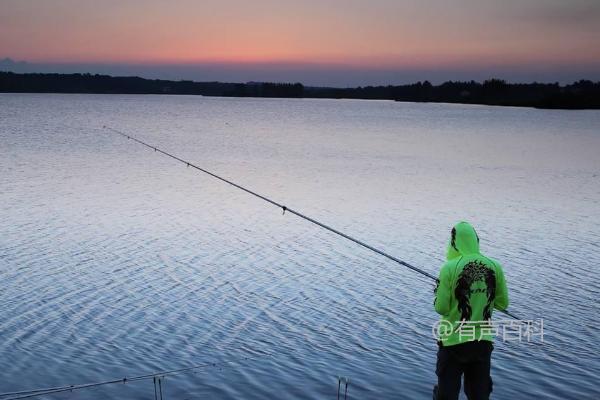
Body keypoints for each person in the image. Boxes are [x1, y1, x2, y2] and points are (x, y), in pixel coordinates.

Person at [433, 221, 509, 400]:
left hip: (452, 342)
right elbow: (502, 304)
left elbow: (441, 307)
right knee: (479, 396)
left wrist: (438, 291)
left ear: (454, 242)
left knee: (447, 396)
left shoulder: (449, 268)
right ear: (476, 240)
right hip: (482, 343)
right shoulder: (494, 265)